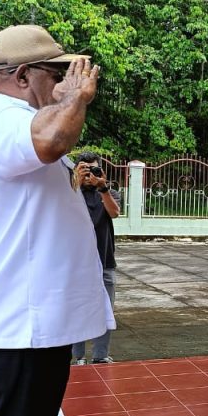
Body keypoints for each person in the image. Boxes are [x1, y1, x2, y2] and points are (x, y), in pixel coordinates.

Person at [0, 25, 113, 416]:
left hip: (27, 328)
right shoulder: (5, 120)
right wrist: (75, 100)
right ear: (24, 76)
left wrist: (61, 100)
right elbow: (51, 141)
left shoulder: (9, 123)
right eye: (56, 74)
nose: (63, 82)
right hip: (19, 330)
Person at [71, 151, 121, 365]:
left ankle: (100, 355)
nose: (90, 174)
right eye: (85, 169)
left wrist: (103, 188)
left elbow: (114, 212)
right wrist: (75, 182)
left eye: (93, 169)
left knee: (105, 310)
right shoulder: (69, 192)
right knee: (76, 310)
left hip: (105, 260)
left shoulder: (109, 192)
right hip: (76, 263)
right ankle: (78, 357)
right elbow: (61, 210)